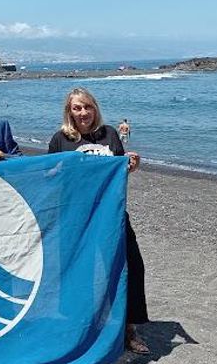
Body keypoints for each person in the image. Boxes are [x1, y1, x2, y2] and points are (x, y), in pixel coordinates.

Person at [47, 87, 149, 355]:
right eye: (77, 108)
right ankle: (81, 327)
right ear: (69, 111)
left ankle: (129, 329)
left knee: (131, 266)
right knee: (80, 272)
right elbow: (53, 177)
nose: (83, 113)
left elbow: (117, 173)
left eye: (87, 107)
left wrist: (130, 166)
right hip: (77, 219)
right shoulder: (60, 140)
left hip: (111, 216)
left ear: (95, 109)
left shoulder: (110, 135)